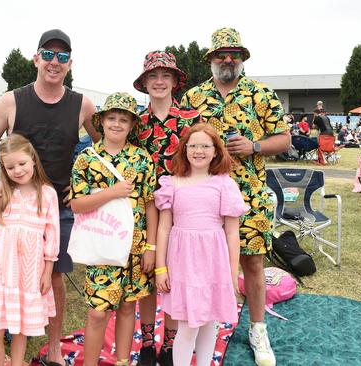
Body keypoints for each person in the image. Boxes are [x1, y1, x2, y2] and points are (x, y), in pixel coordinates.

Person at [0, 28, 99, 366]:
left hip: (55, 204)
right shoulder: (11, 101)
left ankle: (55, 347)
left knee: (53, 276)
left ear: (70, 63)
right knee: (0, 274)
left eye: (62, 56)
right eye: (48, 54)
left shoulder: (82, 104)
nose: (54, 62)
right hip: (11, 204)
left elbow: (103, 148)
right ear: (36, 58)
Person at [181, 27, 290, 366]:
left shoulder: (261, 94)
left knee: (253, 263)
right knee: (200, 264)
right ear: (210, 59)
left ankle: (258, 329)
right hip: (202, 197)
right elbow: (180, 140)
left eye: (234, 54)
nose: (228, 59)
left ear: (242, 58)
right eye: (221, 54)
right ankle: (199, 328)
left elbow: (284, 139)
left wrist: (254, 146)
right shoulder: (192, 98)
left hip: (250, 194)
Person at [70, 92, 156, 366]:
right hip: (103, 244)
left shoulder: (142, 158)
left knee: (129, 306)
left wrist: (151, 246)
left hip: (135, 246)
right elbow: (77, 204)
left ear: (132, 125)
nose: (117, 124)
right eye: (111, 118)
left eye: (123, 119)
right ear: (101, 121)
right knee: (98, 311)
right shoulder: (87, 159)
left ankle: (122, 360)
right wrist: (113, 192)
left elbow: (151, 204)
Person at [155, 123, 246, 365]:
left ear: (216, 151)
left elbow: (232, 233)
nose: (198, 151)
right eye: (193, 145)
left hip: (213, 261)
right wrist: (160, 267)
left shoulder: (224, 184)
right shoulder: (172, 183)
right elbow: (164, 228)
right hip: (183, 261)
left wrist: (231, 270)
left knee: (209, 320)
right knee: (187, 323)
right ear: (184, 150)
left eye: (205, 146)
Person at [130, 50, 199, 366]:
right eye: (153, 76)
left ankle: (169, 345)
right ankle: (146, 343)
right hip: (143, 211)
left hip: (181, 210)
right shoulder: (135, 123)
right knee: (146, 276)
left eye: (165, 76)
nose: (159, 81)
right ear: (145, 83)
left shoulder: (192, 120)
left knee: (174, 278)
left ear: (174, 81)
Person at [0, 133, 59, 366]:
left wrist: (47, 272)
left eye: (22, 164)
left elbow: (52, 237)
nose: (17, 170)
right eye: (10, 167)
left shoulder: (47, 194)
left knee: (21, 328)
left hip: (29, 273)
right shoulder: (0, 192)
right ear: (3, 169)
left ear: (32, 160)